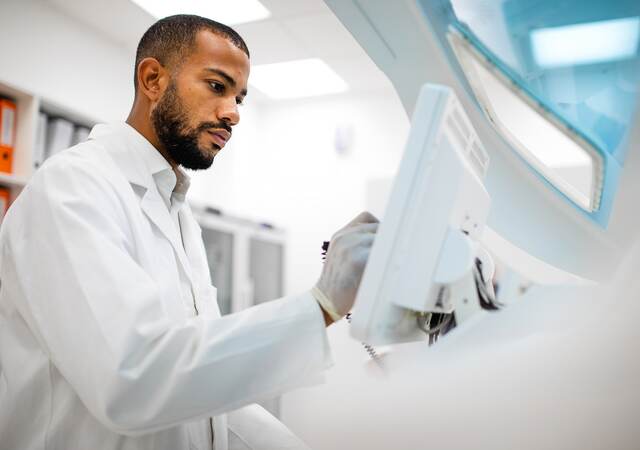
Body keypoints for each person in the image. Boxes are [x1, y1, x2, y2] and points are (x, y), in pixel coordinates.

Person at [0, 14, 378, 450]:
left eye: (240, 97)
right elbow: (134, 378)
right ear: (153, 79)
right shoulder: (72, 188)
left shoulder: (177, 212)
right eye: (217, 86)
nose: (233, 113)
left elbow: (205, 388)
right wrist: (320, 307)